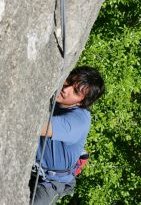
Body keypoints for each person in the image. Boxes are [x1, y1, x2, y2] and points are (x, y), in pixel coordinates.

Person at [29, 66, 105, 205]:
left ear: (81, 102)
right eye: (68, 81)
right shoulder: (56, 96)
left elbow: (35, 126)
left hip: (51, 182)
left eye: (75, 91)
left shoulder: (78, 121)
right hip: (31, 167)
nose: (66, 89)